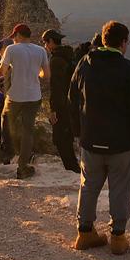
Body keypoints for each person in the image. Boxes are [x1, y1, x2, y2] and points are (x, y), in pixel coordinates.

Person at [68, 21, 130, 255]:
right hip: (122, 144)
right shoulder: (129, 69)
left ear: (103, 40)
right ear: (123, 43)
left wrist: (77, 132)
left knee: (89, 185)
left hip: (91, 140)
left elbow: (72, 99)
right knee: (120, 189)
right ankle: (118, 238)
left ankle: (84, 233)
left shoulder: (84, 63)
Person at [0, 24, 50, 180]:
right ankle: (22, 166)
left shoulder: (12, 49)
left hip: (15, 96)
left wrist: (12, 68)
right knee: (28, 130)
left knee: (6, 120)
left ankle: (6, 154)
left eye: (14, 36)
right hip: (34, 96)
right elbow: (46, 74)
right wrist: (34, 72)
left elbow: (2, 71)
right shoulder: (41, 50)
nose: (13, 39)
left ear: (19, 35)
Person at [42, 29, 80, 173]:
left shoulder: (56, 60)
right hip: (72, 102)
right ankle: (73, 166)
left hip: (62, 105)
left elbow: (56, 88)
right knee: (67, 136)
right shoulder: (68, 55)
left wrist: (53, 110)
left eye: (45, 42)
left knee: (60, 138)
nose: (45, 45)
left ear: (51, 42)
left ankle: (72, 168)